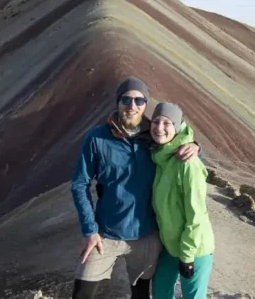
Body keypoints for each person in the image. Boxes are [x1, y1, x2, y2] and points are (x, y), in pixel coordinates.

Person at [70, 77, 201, 299]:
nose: (133, 106)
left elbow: (180, 145)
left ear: (145, 104)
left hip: (147, 237)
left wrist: (195, 147)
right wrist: (89, 230)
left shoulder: (155, 137)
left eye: (139, 100)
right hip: (104, 235)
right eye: (126, 100)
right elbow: (79, 184)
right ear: (118, 102)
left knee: (140, 295)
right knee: (81, 294)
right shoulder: (97, 138)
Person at [149, 103, 215, 299]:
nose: (159, 128)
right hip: (170, 246)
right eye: (156, 121)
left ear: (177, 128)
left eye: (167, 123)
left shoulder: (187, 163)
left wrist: (187, 256)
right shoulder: (158, 156)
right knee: (161, 292)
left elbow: (197, 214)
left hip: (195, 248)